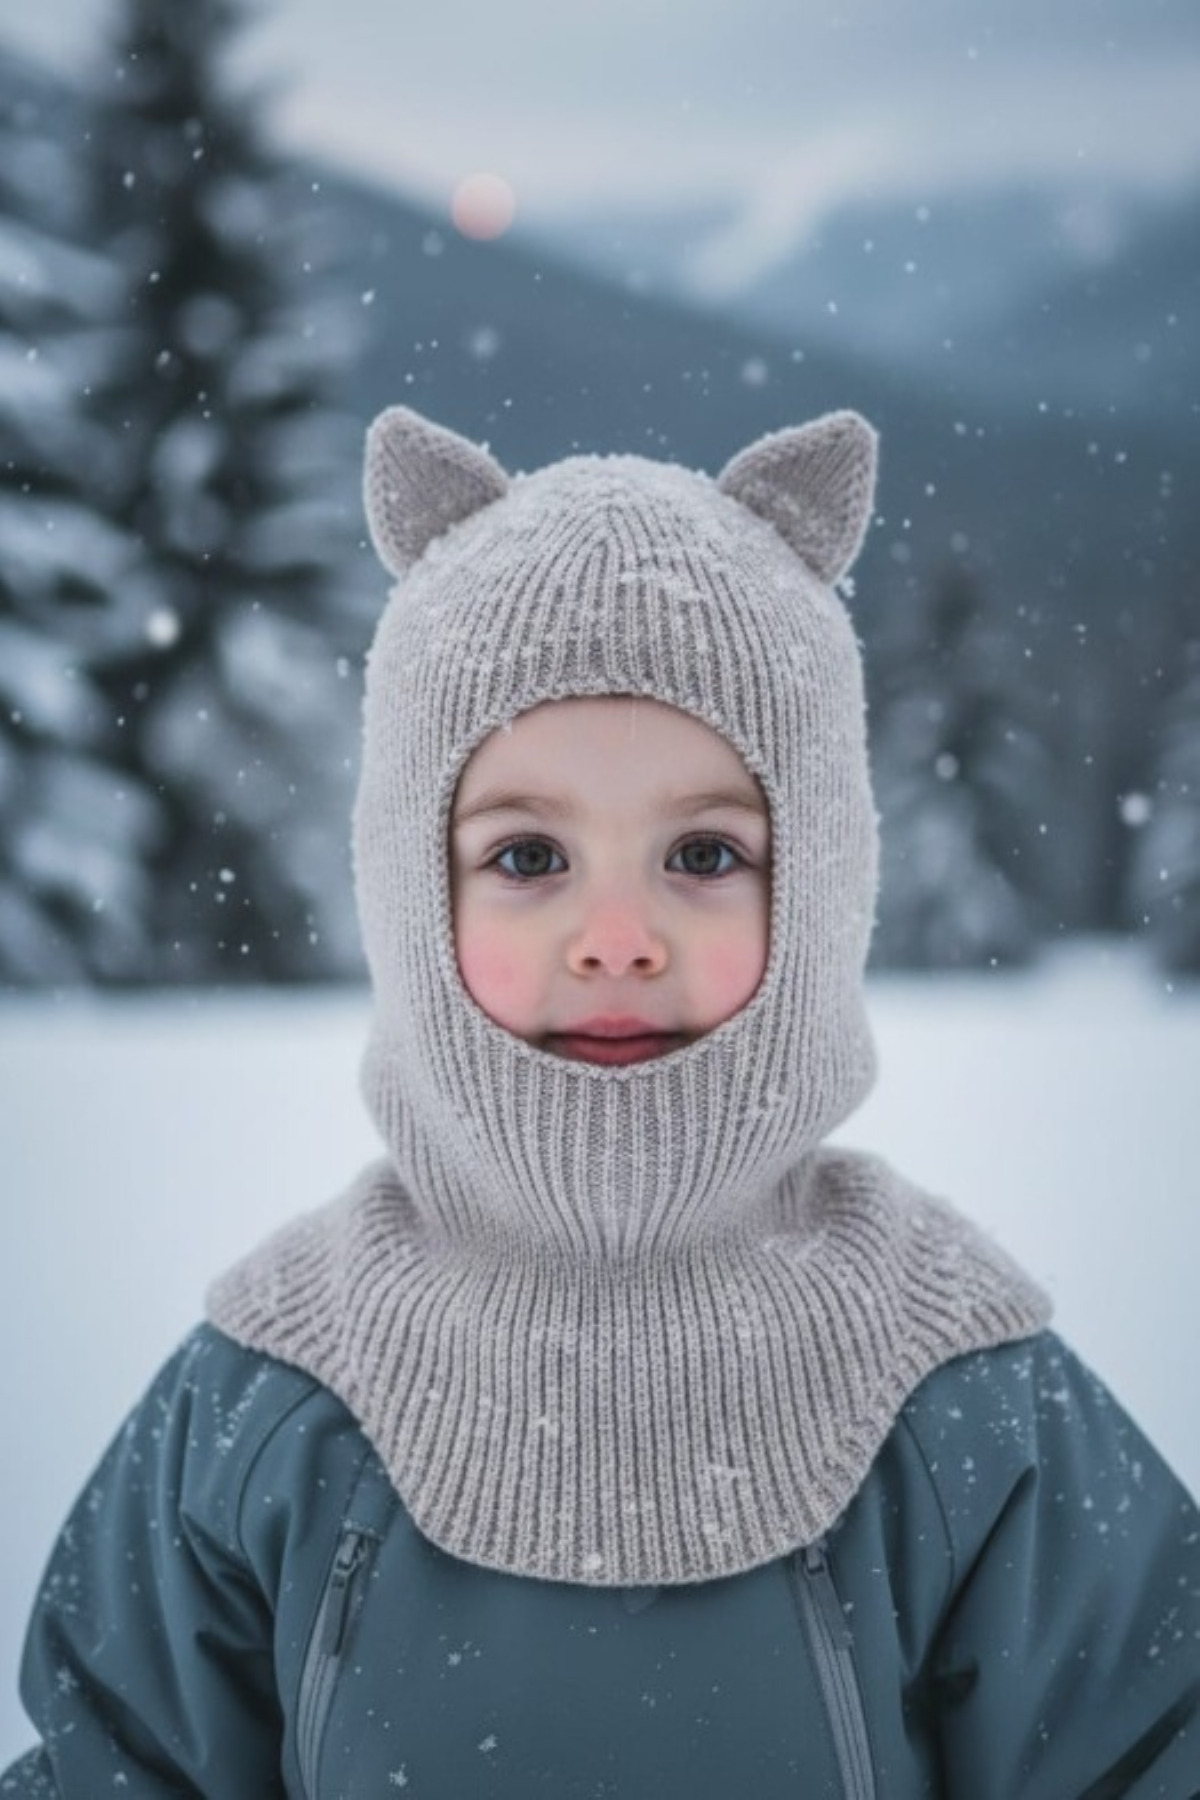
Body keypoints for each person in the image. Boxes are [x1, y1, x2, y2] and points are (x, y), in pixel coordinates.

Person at [3, 404, 1198, 1799]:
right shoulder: (271, 1392)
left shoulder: (959, 1390)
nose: (617, 934)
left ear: (819, 884)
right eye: (527, 855)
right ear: (411, 889)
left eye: (703, 850)